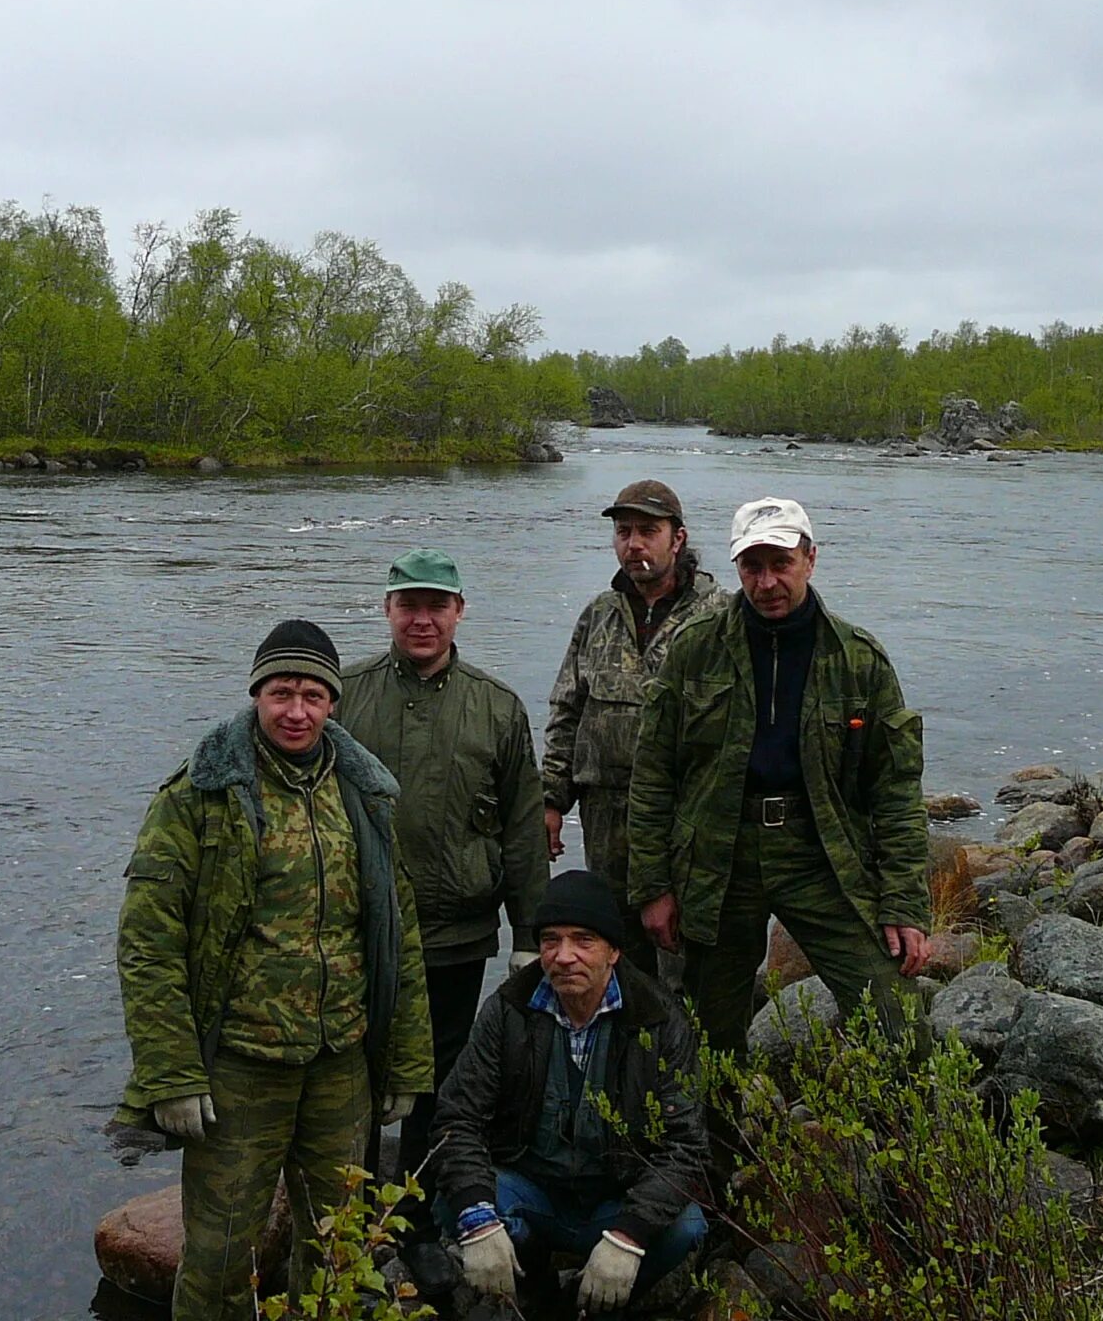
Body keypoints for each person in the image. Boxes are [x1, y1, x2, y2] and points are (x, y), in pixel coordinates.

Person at [115, 619, 435, 1319]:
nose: (297, 711)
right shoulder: (200, 794)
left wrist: (407, 1064)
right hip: (239, 1071)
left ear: (333, 703)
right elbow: (148, 944)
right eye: (282, 692)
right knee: (221, 1256)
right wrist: (171, 1073)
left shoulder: (363, 794)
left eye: (314, 695)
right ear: (257, 694)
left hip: (340, 1066)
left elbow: (396, 936)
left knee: (338, 1249)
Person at [627, 497, 931, 1064]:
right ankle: (716, 1147)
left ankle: (903, 1139)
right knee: (706, 1036)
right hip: (718, 857)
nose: (766, 583)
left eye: (780, 564)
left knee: (898, 1018)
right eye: (752, 567)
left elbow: (895, 792)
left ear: (810, 560)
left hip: (821, 854)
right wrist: (653, 887)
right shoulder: (694, 650)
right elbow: (652, 777)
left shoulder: (859, 660)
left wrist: (905, 905)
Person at [337, 548, 550, 1215]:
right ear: (388, 610)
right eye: (410, 605)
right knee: (359, 1072)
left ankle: (421, 1216)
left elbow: (521, 829)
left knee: (440, 1078)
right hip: (360, 931)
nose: (422, 619)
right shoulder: (343, 695)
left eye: (437, 605)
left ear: (459, 611)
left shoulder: (497, 707)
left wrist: (530, 934)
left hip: (457, 935)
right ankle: (351, 1218)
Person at [431, 870, 708, 1318]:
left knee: (685, 1227)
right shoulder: (507, 1010)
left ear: (614, 951)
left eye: (583, 941)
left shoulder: (660, 1022)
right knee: (455, 1204)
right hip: (530, 1190)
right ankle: (533, 1284)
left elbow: (687, 1146)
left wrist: (629, 1236)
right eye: (550, 940)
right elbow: (455, 1118)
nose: (564, 957)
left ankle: (593, 1303)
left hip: (613, 1197)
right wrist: (478, 1222)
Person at [541, 479, 723, 977]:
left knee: (683, 957)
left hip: (684, 823)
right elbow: (566, 711)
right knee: (617, 957)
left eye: (648, 531)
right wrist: (553, 800)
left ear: (678, 539)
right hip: (605, 820)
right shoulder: (598, 615)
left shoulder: (720, 617)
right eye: (624, 532)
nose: (634, 544)